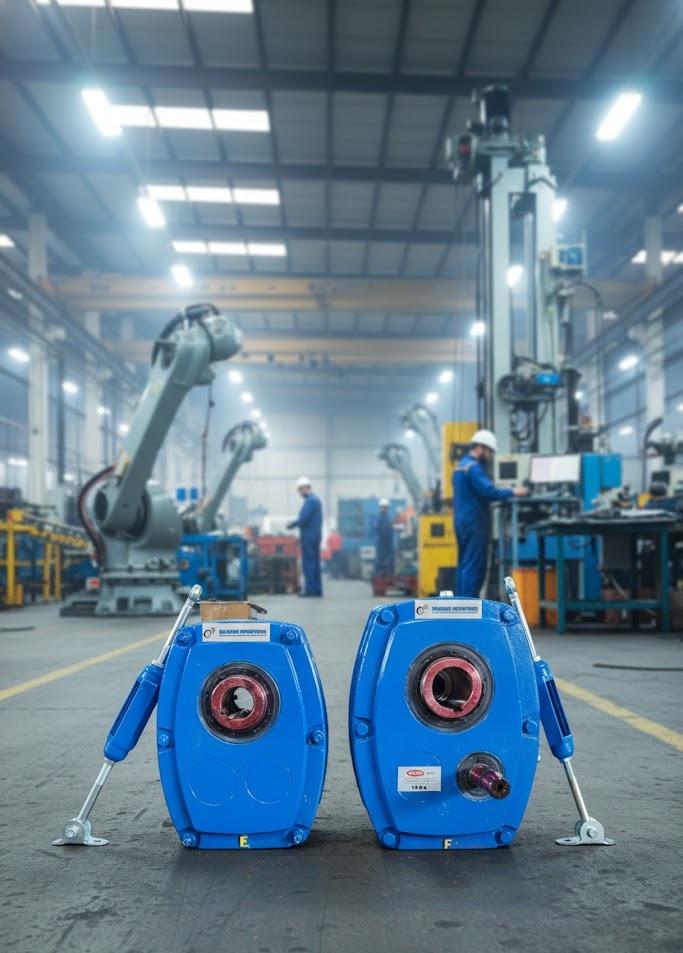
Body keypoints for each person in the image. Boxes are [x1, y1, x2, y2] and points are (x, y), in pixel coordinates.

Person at [453, 430, 528, 597]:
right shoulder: (474, 468)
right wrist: (514, 491)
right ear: (481, 448)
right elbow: (489, 492)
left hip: (462, 522)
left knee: (464, 563)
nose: (490, 456)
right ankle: (469, 607)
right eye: (489, 452)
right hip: (475, 523)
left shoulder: (460, 466)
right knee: (474, 565)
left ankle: (460, 604)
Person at [287, 477, 323, 597]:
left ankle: (311, 590)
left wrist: (291, 524)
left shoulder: (310, 501)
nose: (300, 493)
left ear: (306, 488)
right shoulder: (315, 500)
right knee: (315, 563)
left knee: (309, 563)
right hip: (315, 536)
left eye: (300, 490)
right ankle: (317, 589)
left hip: (309, 536)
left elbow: (304, 518)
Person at [374, 498, 395, 576]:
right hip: (381, 540)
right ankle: (380, 572)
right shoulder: (378, 517)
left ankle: (388, 572)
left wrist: (392, 527)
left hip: (388, 540)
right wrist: (385, 530)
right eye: (384, 507)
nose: (385, 509)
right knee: (381, 556)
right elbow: (376, 526)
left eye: (386, 507)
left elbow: (390, 527)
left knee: (389, 556)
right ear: (381, 507)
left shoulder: (387, 517)